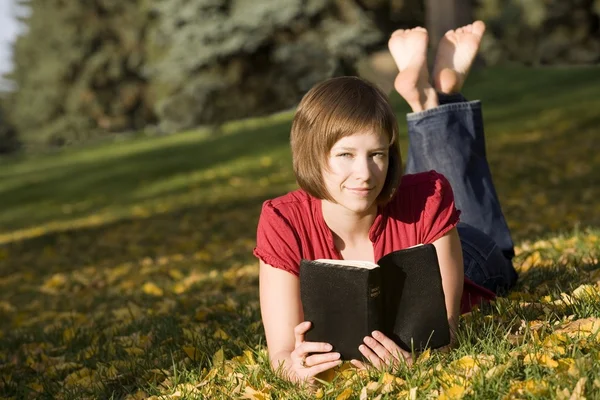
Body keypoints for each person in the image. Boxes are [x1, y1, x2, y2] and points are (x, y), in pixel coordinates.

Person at [253, 21, 518, 383]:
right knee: (419, 192)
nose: (365, 173)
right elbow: (280, 353)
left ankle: (435, 97)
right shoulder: (283, 220)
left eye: (378, 154)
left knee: (489, 241)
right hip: (420, 220)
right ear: (312, 155)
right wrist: (296, 371)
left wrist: (417, 362)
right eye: (345, 154)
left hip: (470, 257)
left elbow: (448, 332)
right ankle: (438, 93)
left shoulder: (429, 197)